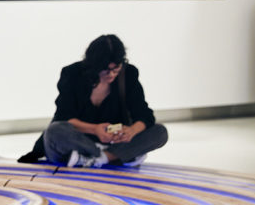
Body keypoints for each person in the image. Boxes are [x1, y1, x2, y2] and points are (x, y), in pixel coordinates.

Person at [18, 34, 168, 168]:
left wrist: (131, 131)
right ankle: (115, 156)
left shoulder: (128, 74)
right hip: (79, 139)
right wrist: (94, 129)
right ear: (93, 65)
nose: (111, 74)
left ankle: (97, 158)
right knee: (54, 131)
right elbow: (64, 116)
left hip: (113, 140)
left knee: (160, 132)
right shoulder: (72, 74)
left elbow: (144, 114)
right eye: (105, 70)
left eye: (116, 69)